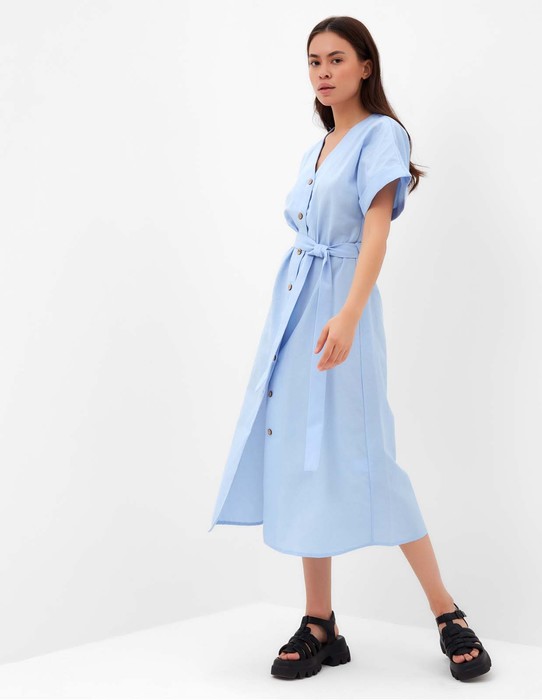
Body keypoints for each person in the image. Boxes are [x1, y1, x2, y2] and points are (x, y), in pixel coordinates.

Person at [208, 15, 492, 682]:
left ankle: (447, 612)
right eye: (314, 61)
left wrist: (349, 315)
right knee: (302, 456)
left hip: (343, 309)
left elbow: (375, 233)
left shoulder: (380, 135)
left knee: (371, 459)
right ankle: (320, 622)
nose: (324, 72)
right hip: (296, 311)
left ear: (366, 65)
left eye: (336, 59)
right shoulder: (318, 149)